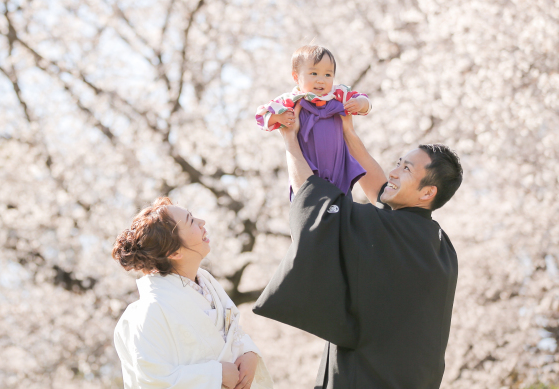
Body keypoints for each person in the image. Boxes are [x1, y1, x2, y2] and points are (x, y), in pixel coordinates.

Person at [253, 106, 462, 389]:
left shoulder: (389, 229)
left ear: (428, 192)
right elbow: (384, 192)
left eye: (406, 168)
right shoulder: (437, 243)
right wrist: (347, 134)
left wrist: (290, 140)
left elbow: (316, 204)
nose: (393, 171)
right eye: (398, 162)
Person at [112, 197, 273, 389]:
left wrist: (249, 353)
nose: (202, 222)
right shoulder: (149, 312)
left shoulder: (206, 282)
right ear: (174, 252)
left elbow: (233, 332)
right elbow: (152, 380)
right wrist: (216, 375)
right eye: (191, 221)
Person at [255, 45, 371, 196]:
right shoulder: (291, 100)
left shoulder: (338, 94)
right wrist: (278, 117)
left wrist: (359, 104)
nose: (321, 80)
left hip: (337, 166)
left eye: (328, 75)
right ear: (296, 77)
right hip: (307, 166)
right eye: (314, 73)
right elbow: (261, 116)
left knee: (342, 200)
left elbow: (366, 102)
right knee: (310, 198)